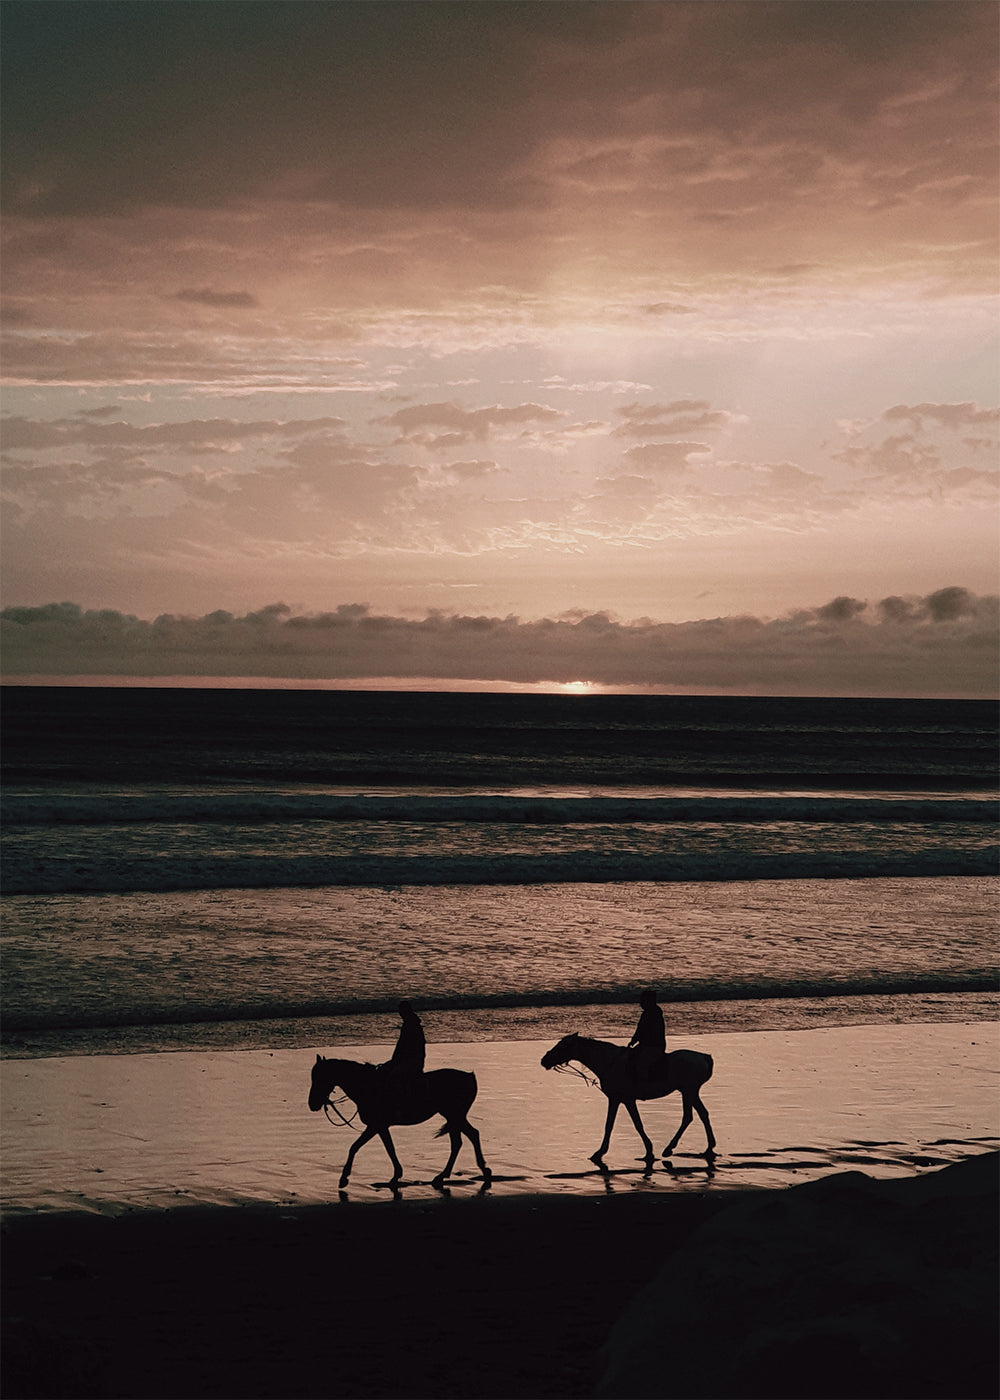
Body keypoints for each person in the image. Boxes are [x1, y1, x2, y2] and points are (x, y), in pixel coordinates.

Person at [627, 989, 665, 1085]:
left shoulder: (652, 1013)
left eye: (643, 1000)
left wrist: (634, 1041)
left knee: (641, 1065)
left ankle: (643, 1085)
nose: (641, 1003)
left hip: (654, 1046)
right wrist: (634, 1041)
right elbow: (640, 1030)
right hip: (646, 1045)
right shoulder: (650, 1012)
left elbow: (643, 1030)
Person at [387, 1000, 425, 1078]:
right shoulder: (411, 1024)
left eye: (401, 1011)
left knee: (393, 1075)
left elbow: (404, 1047)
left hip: (412, 1062)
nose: (400, 1014)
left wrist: (395, 1061)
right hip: (410, 1060)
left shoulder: (410, 1025)